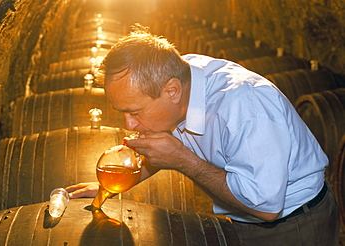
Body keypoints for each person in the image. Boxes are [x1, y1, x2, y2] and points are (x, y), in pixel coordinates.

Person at [66, 24, 340, 245]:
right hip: (242, 218)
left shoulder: (245, 107)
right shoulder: (180, 75)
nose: (129, 124)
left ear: (172, 91)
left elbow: (265, 207)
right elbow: (164, 150)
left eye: (135, 112)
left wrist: (184, 160)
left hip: (295, 226)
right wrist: (108, 189)